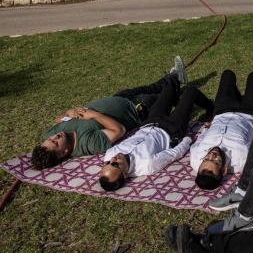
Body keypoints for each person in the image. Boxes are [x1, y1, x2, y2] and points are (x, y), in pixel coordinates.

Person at [32, 57, 187, 170]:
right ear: (63, 153)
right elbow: (118, 130)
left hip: (120, 98)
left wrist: (68, 112)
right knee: (165, 95)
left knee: (151, 87)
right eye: (55, 143)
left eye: (50, 139)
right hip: (137, 109)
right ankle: (176, 82)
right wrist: (94, 115)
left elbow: (58, 120)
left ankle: (171, 79)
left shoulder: (51, 135)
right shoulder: (87, 144)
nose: (55, 137)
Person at [98, 81, 213, 191]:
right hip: (171, 129)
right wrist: (187, 140)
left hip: (150, 122)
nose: (113, 159)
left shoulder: (110, 154)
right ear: (125, 174)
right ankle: (211, 108)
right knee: (190, 91)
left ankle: (179, 99)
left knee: (169, 87)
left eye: (107, 163)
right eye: (115, 164)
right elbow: (174, 154)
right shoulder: (147, 164)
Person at [190, 70, 253, 190]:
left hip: (222, 111)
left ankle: (236, 96)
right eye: (216, 161)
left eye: (206, 158)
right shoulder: (242, 159)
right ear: (225, 170)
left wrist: (206, 129)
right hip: (249, 113)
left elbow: (198, 141)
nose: (212, 154)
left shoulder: (195, 159)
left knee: (228, 75)